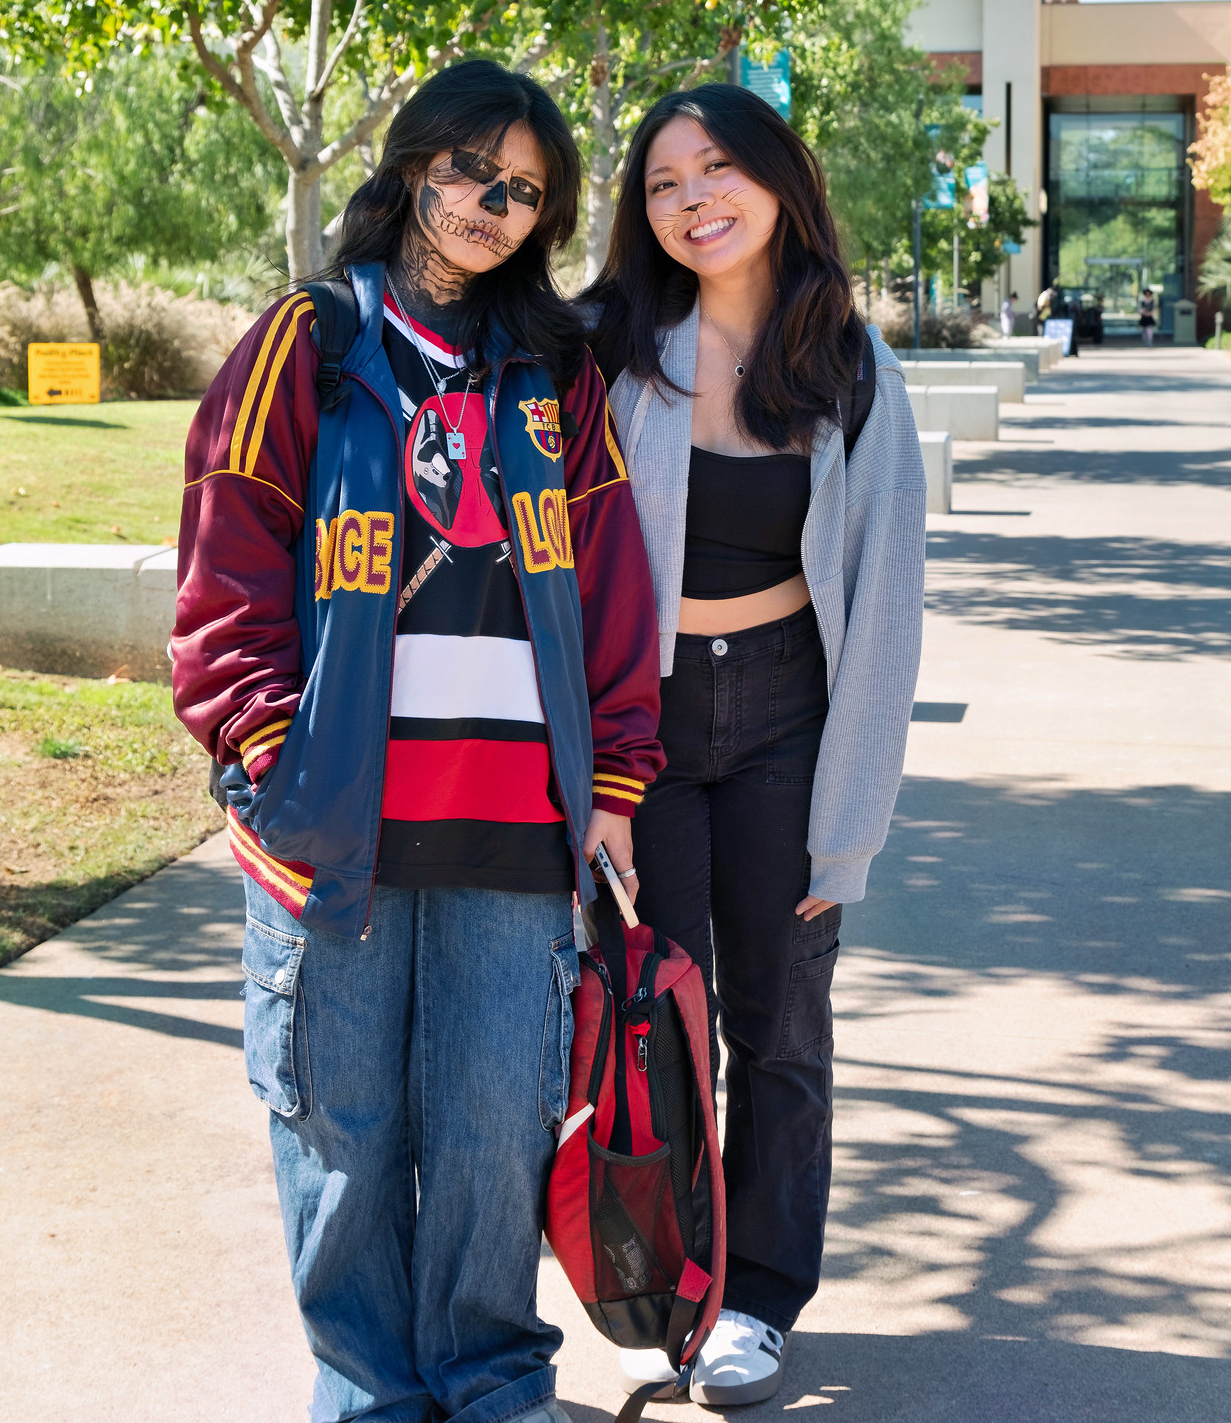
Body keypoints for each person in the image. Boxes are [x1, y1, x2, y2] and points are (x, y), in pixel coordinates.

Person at [172, 60, 663, 1423]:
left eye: (522, 191)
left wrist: (612, 787)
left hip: (519, 835)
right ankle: (370, 1395)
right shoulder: (310, 340)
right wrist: (267, 757)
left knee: (497, 1135)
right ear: (409, 166)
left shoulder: (560, 373)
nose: (488, 206)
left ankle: (494, 1383)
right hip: (342, 830)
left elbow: (615, 591)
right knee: (344, 1136)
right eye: (466, 170)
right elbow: (225, 561)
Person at [584, 85, 925, 1405]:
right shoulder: (616, 351)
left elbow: (885, 596)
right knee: (654, 1013)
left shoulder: (848, 359)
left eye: (716, 170)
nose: (692, 203)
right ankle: (680, 1281)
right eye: (663, 184)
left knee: (779, 1021)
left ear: (780, 181)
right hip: (646, 721)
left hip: (789, 704)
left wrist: (851, 824)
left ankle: (761, 1297)